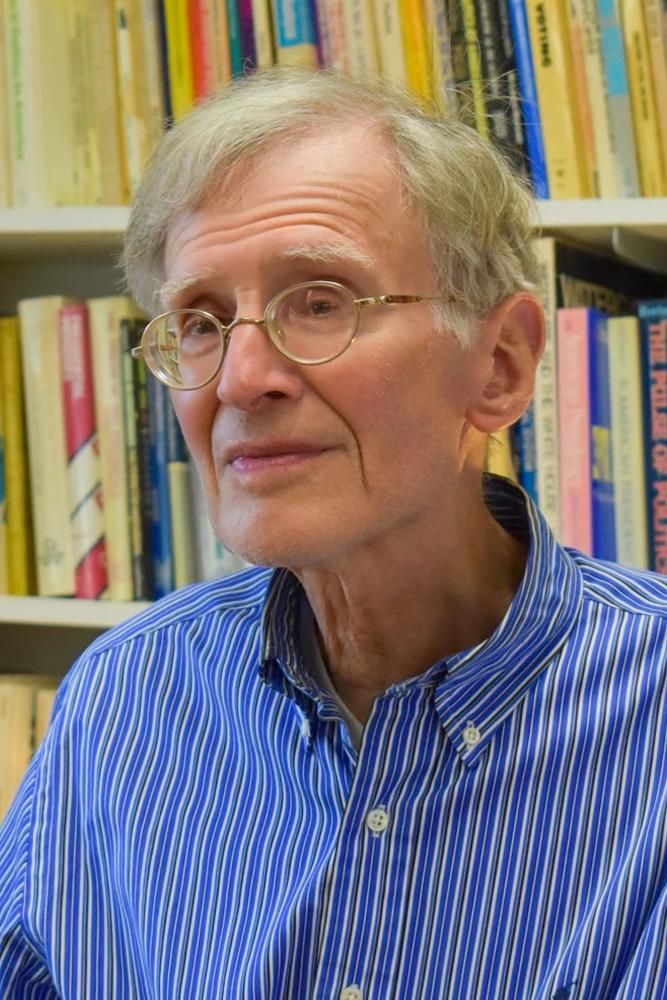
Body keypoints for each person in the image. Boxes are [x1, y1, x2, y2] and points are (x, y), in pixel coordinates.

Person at [1, 68, 666, 1000]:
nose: (241, 379)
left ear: (501, 364)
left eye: (320, 302)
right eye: (200, 322)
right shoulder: (127, 698)